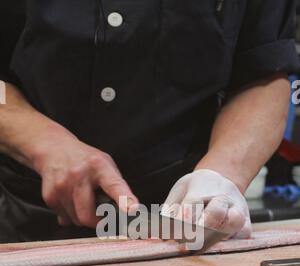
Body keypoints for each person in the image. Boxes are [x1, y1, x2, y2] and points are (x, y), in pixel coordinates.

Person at [0, 0, 299, 243]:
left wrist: (221, 176)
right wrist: (41, 141)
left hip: (181, 229)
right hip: (24, 222)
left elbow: (263, 73)